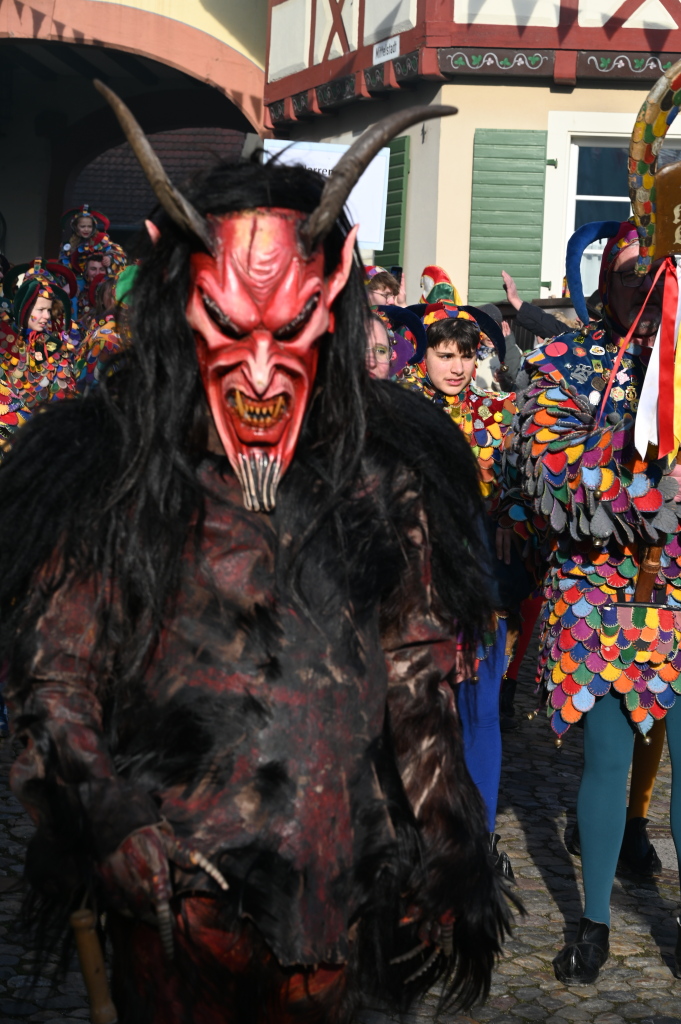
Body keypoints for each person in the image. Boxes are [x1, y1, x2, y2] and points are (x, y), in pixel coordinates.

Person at [5, 89, 513, 1023]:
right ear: (177, 290)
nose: (261, 369)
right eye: (229, 325)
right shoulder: (116, 471)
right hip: (180, 913)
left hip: (346, 908)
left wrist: (448, 845)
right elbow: (55, 682)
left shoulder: (379, 471)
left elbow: (413, 673)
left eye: (290, 326)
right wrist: (112, 823)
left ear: (336, 290)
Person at [512, 63, 681, 984]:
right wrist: (650, 491)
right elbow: (557, 473)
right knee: (605, 765)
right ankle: (590, 920)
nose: (640, 290)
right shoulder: (563, 369)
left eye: (651, 277)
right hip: (601, 601)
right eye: (625, 277)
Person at [398, 304, 519, 874]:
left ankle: (483, 837)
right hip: (413, 592)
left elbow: (518, 484)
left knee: (481, 714)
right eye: (445, 354)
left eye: (466, 355)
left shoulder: (498, 415)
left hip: (478, 591)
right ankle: (415, 837)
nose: (456, 366)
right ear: (423, 354)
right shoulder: (400, 411)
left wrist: (512, 517)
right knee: (416, 714)